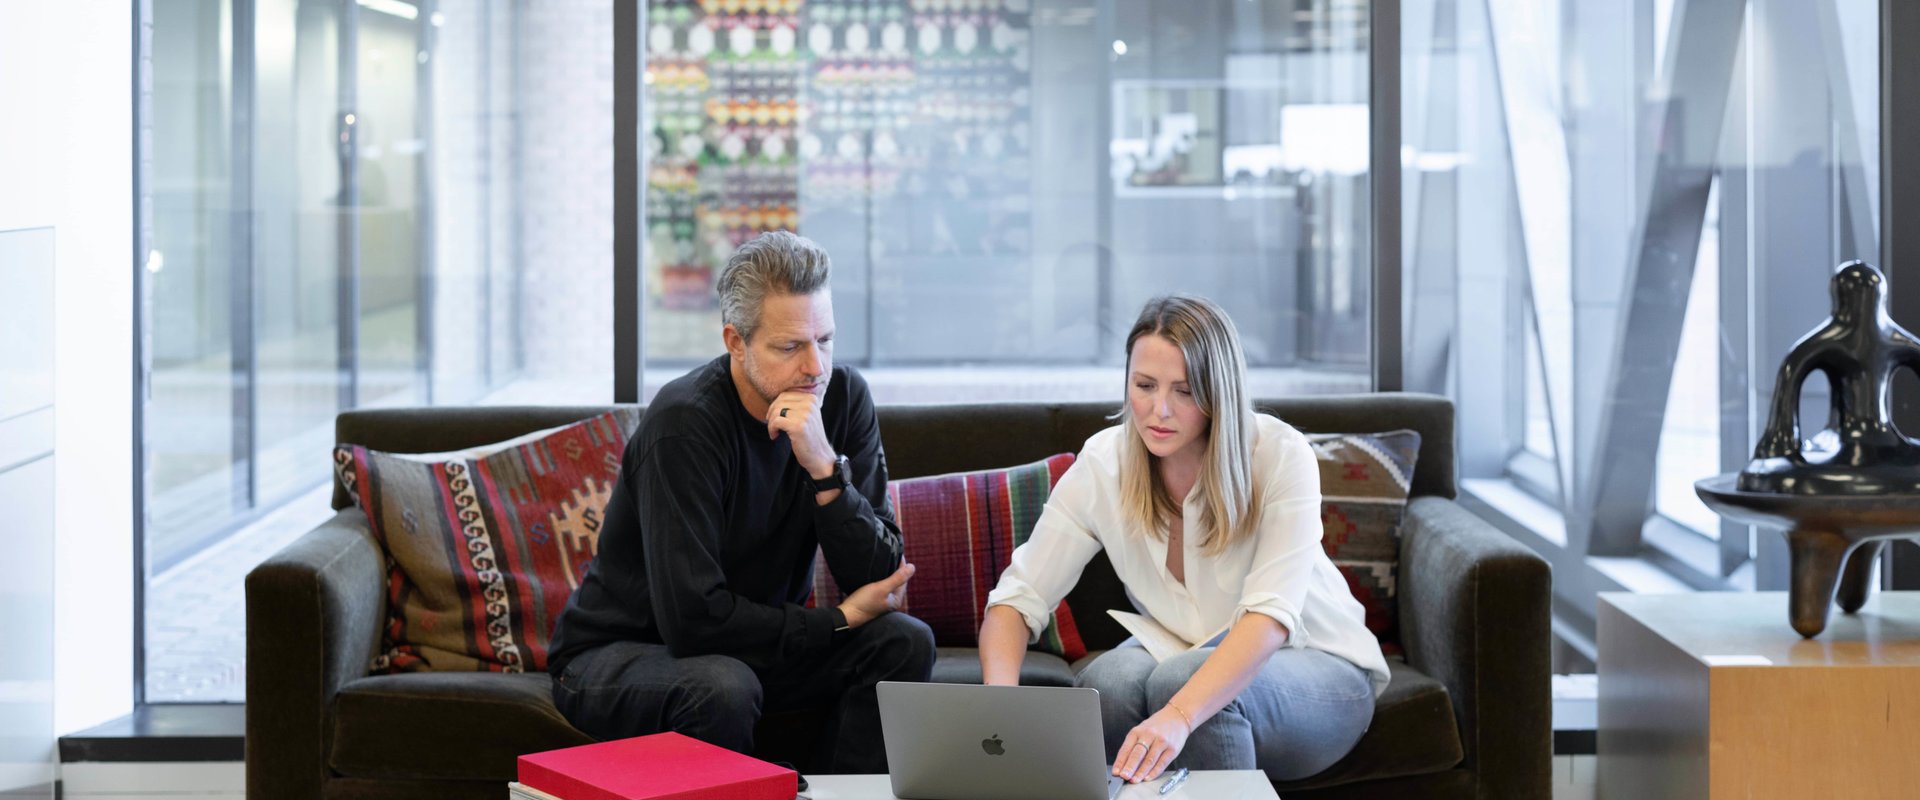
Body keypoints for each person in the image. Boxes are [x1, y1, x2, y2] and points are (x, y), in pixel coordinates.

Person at [548, 231, 934, 773]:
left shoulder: (842, 398)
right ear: (736, 341)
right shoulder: (685, 425)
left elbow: (879, 573)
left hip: (750, 650)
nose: (815, 367)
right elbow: (692, 621)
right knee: (722, 686)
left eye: (825, 339)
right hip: (620, 654)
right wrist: (837, 622)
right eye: (790, 346)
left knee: (904, 644)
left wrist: (824, 470)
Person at [977, 294, 1389, 785]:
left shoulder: (1279, 454)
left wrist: (1178, 715)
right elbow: (1016, 600)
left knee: (1185, 681)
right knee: (1106, 684)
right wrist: (999, 710)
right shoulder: (1104, 462)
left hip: (1321, 663)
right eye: (1144, 386)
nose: (1160, 410)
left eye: (1186, 391)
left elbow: (1271, 617)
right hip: (1181, 647)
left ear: (1219, 394)